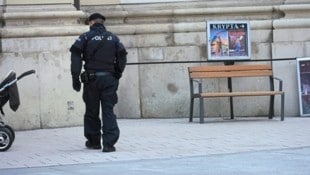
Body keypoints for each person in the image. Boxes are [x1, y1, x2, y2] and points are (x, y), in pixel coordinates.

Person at [69, 13, 127, 152]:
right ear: (102, 23)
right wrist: (117, 74)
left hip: (91, 80)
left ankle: (94, 141)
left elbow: (75, 57)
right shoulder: (113, 38)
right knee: (108, 110)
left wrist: (75, 78)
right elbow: (122, 57)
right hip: (109, 79)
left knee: (91, 111)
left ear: (91, 22)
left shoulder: (84, 37)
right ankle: (109, 144)